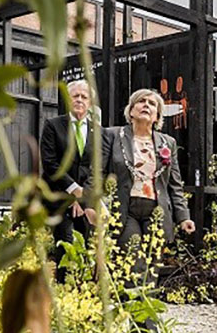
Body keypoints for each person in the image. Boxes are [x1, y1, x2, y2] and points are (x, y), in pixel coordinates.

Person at [101, 88, 195, 248]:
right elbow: (98, 172)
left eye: (151, 104)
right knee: (134, 259)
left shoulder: (168, 143)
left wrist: (183, 217)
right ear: (131, 111)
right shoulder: (113, 135)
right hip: (125, 208)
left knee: (153, 263)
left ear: (157, 116)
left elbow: (175, 185)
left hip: (156, 209)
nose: (146, 105)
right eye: (141, 101)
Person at [40, 80, 97, 275]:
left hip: (87, 199)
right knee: (64, 244)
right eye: (75, 96)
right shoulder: (53, 126)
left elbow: (97, 167)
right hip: (59, 197)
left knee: (86, 245)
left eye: (84, 96)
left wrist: (83, 196)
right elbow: (50, 164)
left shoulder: (98, 131)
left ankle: (83, 291)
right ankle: (63, 289)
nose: (80, 100)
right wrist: (74, 191)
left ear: (90, 102)